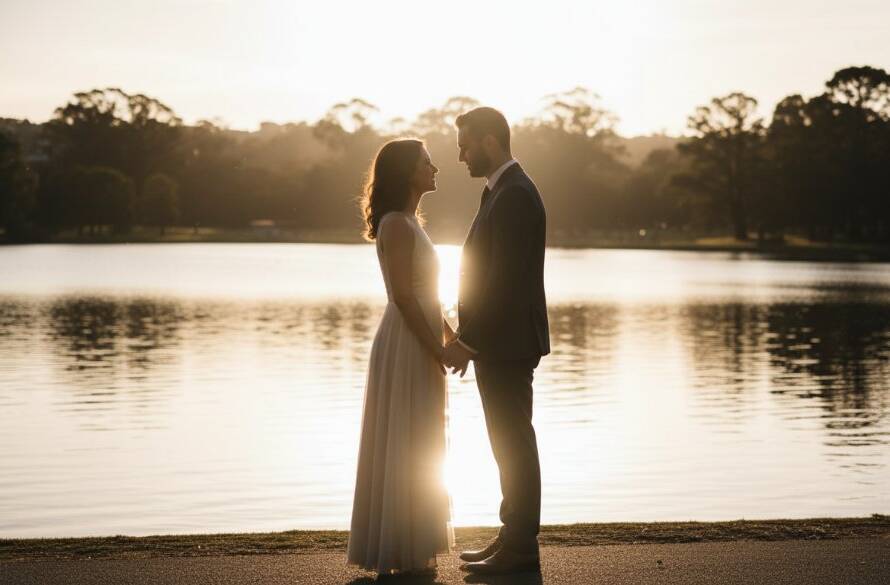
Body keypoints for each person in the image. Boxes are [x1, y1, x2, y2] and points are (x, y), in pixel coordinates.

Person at [441, 107, 551, 575]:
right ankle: (512, 535)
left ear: (489, 141)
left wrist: (468, 342)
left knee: (513, 442)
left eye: (465, 145)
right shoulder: (501, 191)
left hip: (507, 342)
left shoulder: (514, 195)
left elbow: (503, 280)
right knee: (505, 440)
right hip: (500, 341)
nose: (461, 155)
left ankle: (522, 546)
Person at [346, 138, 454, 576]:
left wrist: (454, 339)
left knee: (421, 440)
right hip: (407, 342)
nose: (436, 168)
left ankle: (414, 544)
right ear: (407, 172)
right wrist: (439, 349)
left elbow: (431, 298)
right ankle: (401, 548)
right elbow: (405, 299)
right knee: (405, 438)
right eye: (427, 162)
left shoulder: (412, 222)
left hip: (421, 337)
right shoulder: (395, 224)